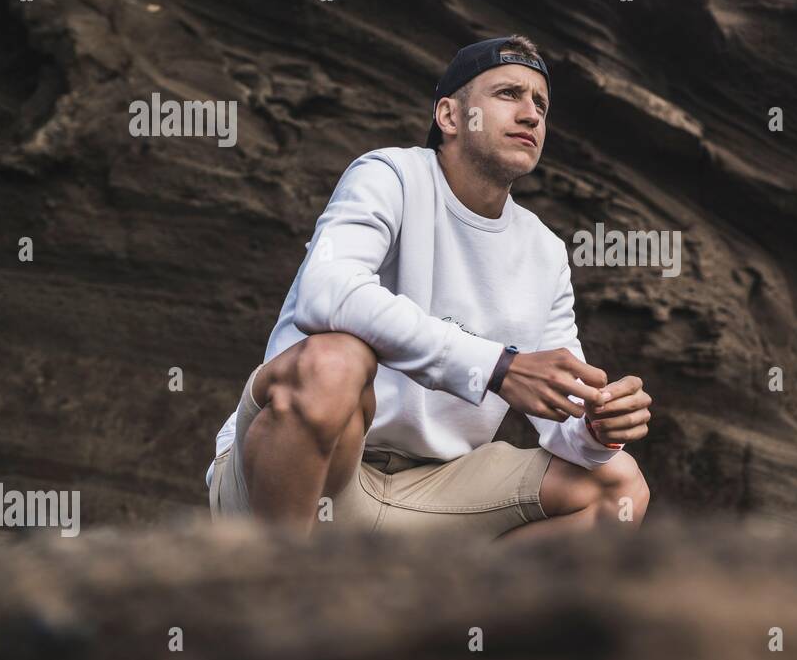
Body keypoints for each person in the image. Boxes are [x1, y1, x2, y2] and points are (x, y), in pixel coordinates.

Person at [206, 34, 651, 542]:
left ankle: (441, 617)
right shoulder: (389, 175)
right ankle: (272, 593)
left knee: (619, 486)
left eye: (541, 104)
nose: (531, 114)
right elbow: (326, 290)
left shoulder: (545, 252)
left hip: (430, 495)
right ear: (450, 116)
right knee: (335, 360)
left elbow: (563, 416)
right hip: (301, 478)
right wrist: (497, 367)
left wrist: (596, 427)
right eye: (508, 93)